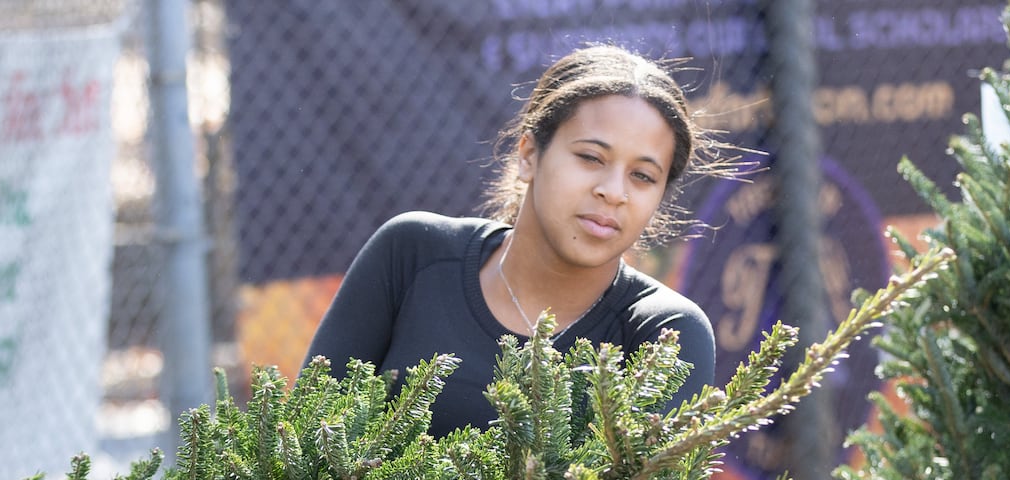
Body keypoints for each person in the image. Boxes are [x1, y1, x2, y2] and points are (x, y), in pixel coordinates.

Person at [299, 44, 731, 438]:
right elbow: (297, 450)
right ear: (528, 155)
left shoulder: (665, 334)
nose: (614, 191)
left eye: (642, 176)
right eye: (590, 157)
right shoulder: (413, 254)